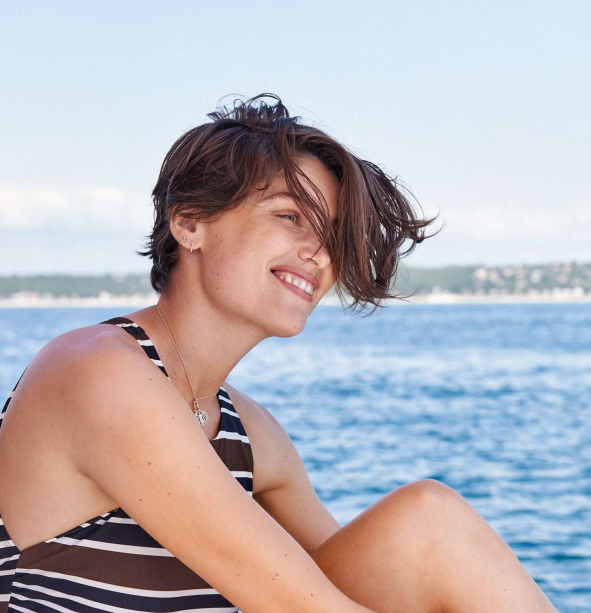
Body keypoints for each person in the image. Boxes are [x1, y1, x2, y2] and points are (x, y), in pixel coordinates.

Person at [0, 95, 556, 612]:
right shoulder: (94, 370)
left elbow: (359, 586)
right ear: (189, 222)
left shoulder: (253, 436)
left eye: (333, 234)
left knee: (429, 525)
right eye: (290, 216)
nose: (319, 253)